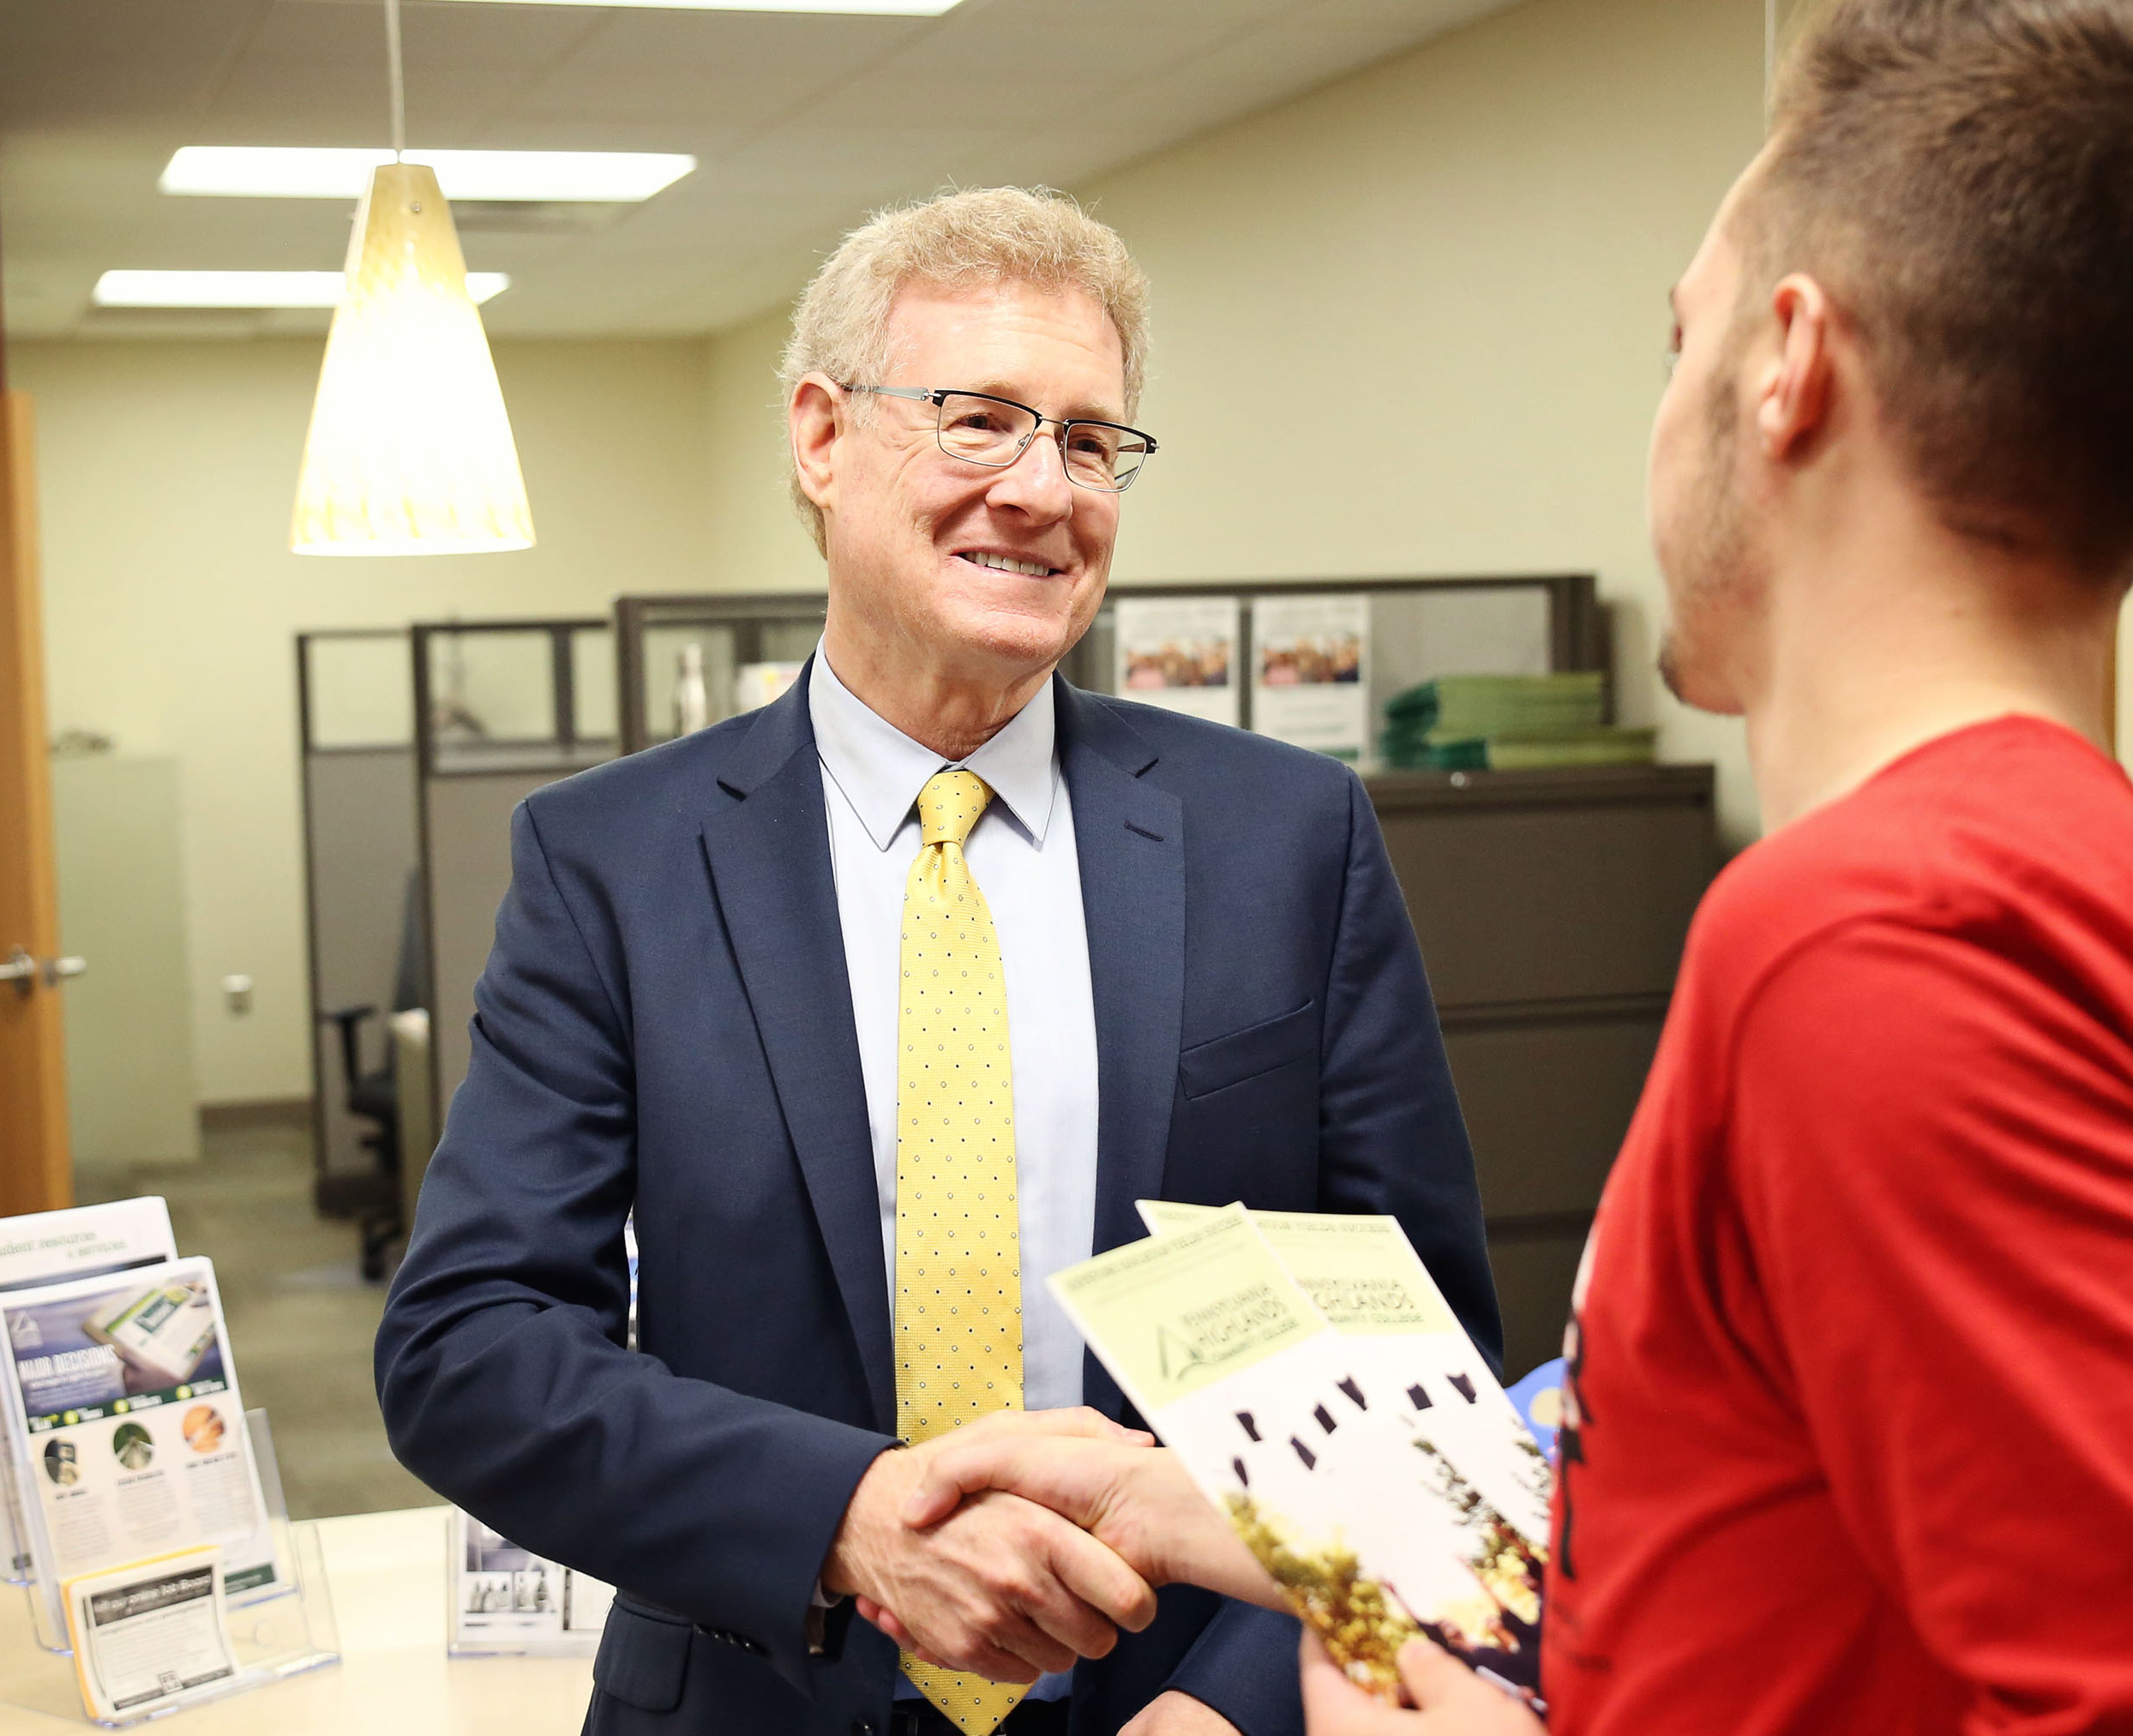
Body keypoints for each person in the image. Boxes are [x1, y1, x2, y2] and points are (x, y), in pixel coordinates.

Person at [878, 2, 2133, 1731]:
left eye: (1679, 339)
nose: (1663, 410)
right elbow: (1788, 1536)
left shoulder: (1892, 938)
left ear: (1788, 367)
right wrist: (1237, 1511)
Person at [374, 185, 1500, 1736]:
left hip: (1176, 1707)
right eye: (979, 419)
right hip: (758, 1693)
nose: (1042, 488)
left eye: (1092, 441)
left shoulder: (1284, 838)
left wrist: (1242, 1702)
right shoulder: (614, 863)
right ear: (824, 440)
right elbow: (471, 1348)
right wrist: (848, 1517)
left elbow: (1424, 1349)